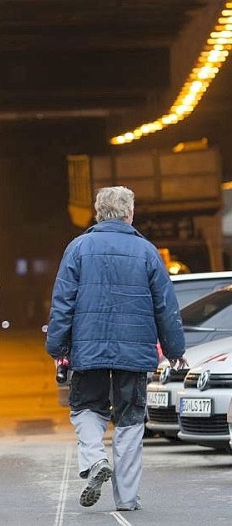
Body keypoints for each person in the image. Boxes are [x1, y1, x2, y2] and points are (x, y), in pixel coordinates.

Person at [46, 186, 187, 511]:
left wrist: (57, 345)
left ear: (98, 213)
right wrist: (175, 349)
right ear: (129, 213)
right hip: (134, 353)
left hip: (88, 349)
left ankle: (95, 459)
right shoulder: (148, 252)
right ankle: (126, 498)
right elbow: (165, 307)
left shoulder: (78, 248)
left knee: (85, 409)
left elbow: (63, 302)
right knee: (130, 420)